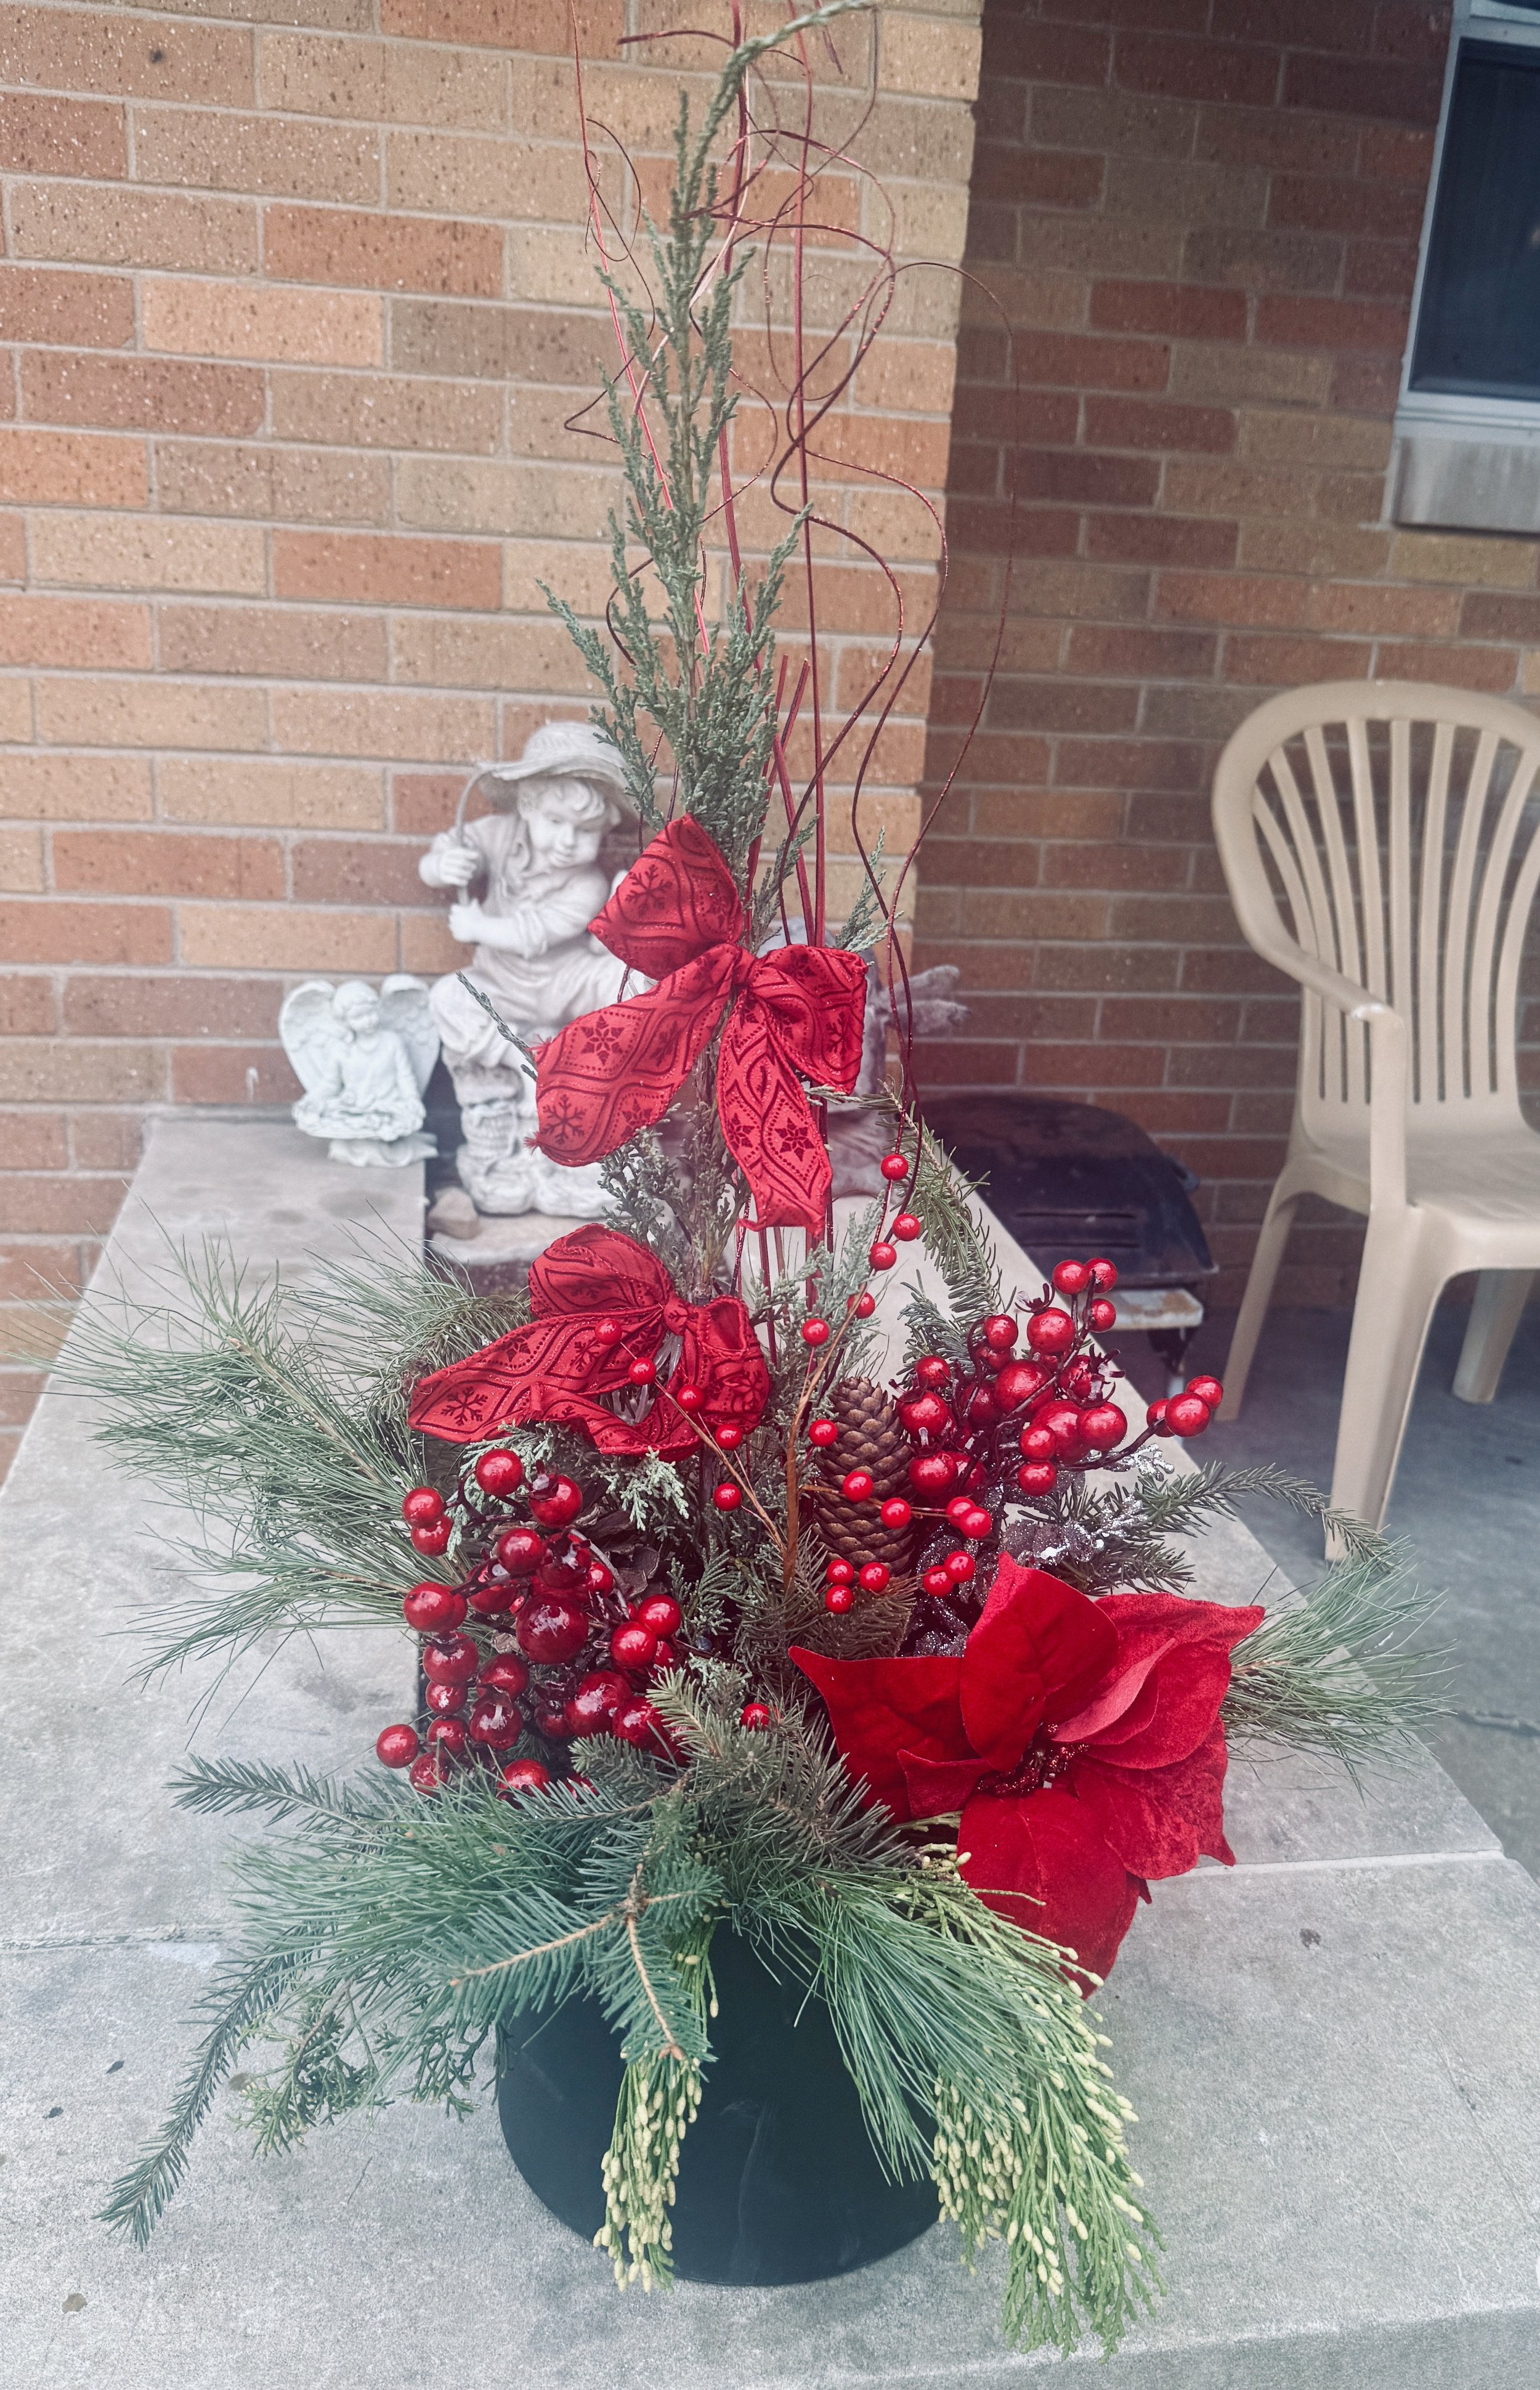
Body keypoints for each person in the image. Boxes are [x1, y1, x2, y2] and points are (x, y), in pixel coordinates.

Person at [419, 722, 638, 1216]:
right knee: (448, 997)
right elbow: (443, 852)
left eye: (584, 832)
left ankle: (591, 1088)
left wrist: (478, 925)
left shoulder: (588, 884)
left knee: (622, 983)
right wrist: (444, 867)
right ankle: (524, 1066)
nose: (567, 841)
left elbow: (534, 932)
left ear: (604, 831)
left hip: (564, 983)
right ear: (528, 808)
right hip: (501, 988)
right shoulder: (498, 834)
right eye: (556, 821)